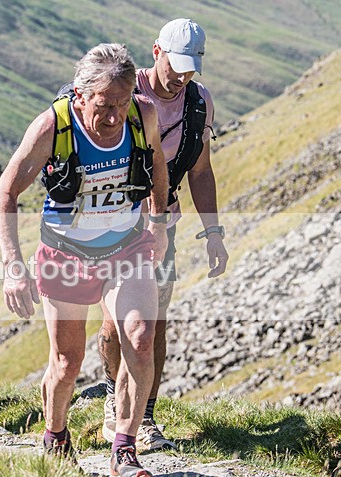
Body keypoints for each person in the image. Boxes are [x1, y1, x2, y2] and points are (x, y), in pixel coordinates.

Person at [0, 44, 169, 477]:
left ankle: (124, 451)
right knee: (66, 362)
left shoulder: (141, 115)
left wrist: (160, 221)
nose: (113, 116)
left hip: (126, 248)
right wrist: (13, 265)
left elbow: (158, 166)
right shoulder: (53, 126)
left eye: (121, 103)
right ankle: (55, 435)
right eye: (103, 105)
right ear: (80, 94)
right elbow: (6, 195)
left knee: (141, 337)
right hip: (65, 254)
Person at [99, 19, 229, 451]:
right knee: (112, 325)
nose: (181, 76)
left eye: (191, 68)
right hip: (109, 224)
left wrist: (213, 232)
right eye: (175, 65)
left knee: (153, 325)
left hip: (162, 227)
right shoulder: (124, 91)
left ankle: (144, 415)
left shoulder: (198, 102)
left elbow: (201, 170)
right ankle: (110, 401)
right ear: (156, 52)